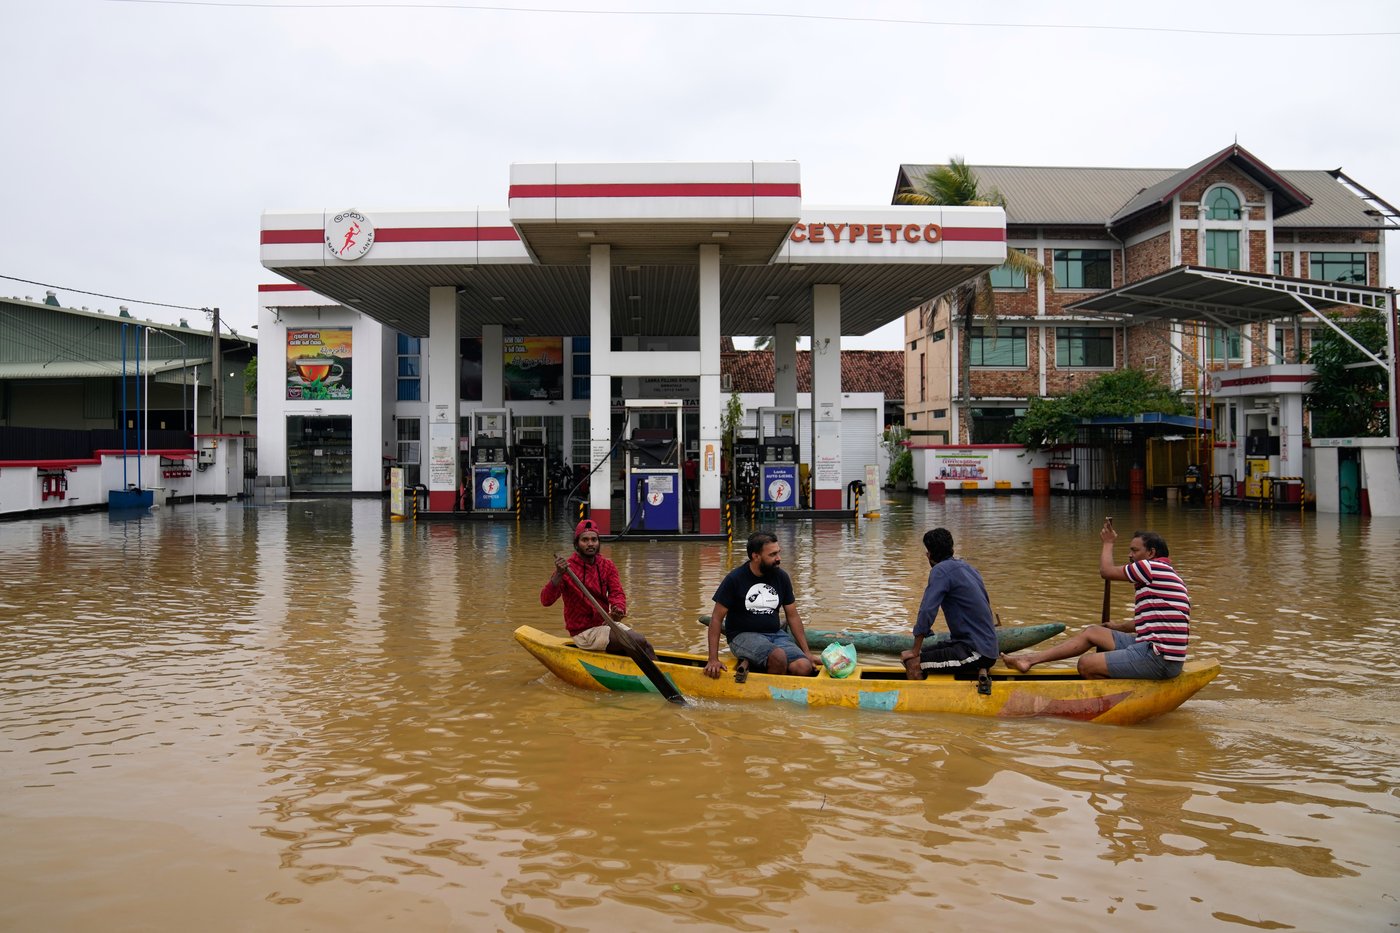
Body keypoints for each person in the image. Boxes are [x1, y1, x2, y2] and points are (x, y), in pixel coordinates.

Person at [1001, 519, 1189, 679]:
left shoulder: (1150, 567)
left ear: (1151, 553)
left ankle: (1119, 694)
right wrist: (1116, 627)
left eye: (1134, 550)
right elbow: (1147, 622)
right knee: (1093, 632)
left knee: (1086, 664)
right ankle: (1029, 659)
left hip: (1159, 659)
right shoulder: (1165, 574)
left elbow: (1106, 571)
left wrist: (1108, 543)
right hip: (1154, 650)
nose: (1130, 555)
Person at [705, 531, 819, 678]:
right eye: (772, 555)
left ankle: (762, 669)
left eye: (778, 553)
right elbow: (716, 619)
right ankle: (768, 688)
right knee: (778, 657)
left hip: (775, 635)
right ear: (756, 556)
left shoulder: (781, 577)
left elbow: (793, 616)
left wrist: (807, 652)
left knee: (804, 667)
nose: (778, 559)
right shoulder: (735, 579)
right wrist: (713, 659)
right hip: (742, 636)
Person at [540, 518, 656, 659]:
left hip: (606, 625)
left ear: (598, 542)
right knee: (637, 640)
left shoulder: (607, 566)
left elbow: (617, 593)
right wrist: (558, 574)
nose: (590, 544)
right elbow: (546, 600)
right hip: (584, 633)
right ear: (577, 544)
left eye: (594, 540)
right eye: (585, 540)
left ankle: (664, 675)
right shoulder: (566, 569)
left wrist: (618, 608)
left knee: (646, 645)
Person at [899, 528, 999, 682]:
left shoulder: (939, 571)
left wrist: (914, 650)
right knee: (923, 654)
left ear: (929, 555)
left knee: (912, 662)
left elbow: (926, 611)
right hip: (981, 646)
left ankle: (921, 703)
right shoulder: (969, 568)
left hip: (976, 652)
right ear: (952, 549)